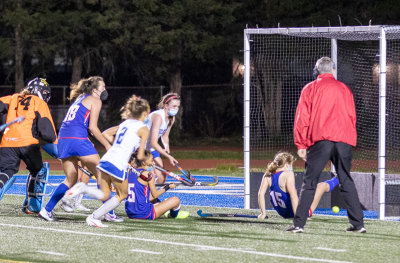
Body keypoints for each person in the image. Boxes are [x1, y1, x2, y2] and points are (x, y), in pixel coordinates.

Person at [287, 57, 365, 233]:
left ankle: (299, 224)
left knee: (310, 181)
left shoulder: (310, 88)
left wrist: (301, 143)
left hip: (321, 140)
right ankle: (358, 224)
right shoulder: (345, 89)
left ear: (317, 71)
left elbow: (302, 118)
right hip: (344, 140)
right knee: (346, 179)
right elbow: (352, 117)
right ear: (333, 70)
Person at [39, 76, 110, 221]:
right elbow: (93, 128)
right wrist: (107, 144)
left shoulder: (80, 98)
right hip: (77, 139)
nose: (104, 89)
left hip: (64, 140)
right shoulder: (96, 100)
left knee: (71, 178)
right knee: (100, 172)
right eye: (102, 87)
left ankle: (46, 210)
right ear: (95, 90)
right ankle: (109, 213)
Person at [86, 95, 150, 227]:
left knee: (105, 194)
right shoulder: (143, 129)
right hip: (118, 163)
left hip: (106, 159)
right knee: (122, 194)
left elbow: (106, 134)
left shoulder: (125, 123)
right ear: (144, 113)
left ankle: (82, 189)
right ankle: (94, 217)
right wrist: (148, 163)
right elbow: (140, 155)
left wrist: (123, 147)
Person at [0, 77, 58, 214]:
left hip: (7, 142)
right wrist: (55, 146)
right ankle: (33, 205)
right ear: (39, 91)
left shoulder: (12, 98)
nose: (45, 96)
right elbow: (48, 133)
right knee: (39, 170)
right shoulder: (39, 103)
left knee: (6, 171)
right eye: (44, 93)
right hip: (28, 143)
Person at [257, 152, 338, 219]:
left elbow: (260, 194)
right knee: (321, 186)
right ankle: (340, 177)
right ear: (286, 165)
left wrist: (263, 213)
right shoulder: (288, 174)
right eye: (291, 164)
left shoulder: (267, 175)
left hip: (283, 214)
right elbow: (293, 196)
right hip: (297, 212)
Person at [125, 149, 189, 220]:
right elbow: (155, 194)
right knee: (176, 200)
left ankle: (160, 207)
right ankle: (173, 215)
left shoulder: (130, 172)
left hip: (130, 213)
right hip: (144, 213)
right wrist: (168, 186)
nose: (153, 162)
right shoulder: (148, 174)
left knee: (153, 199)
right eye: (152, 160)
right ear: (144, 163)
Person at [146, 93, 180, 184]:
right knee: (149, 176)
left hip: (150, 148)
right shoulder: (158, 117)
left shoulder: (171, 118)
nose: (176, 109)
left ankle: (151, 191)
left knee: (161, 179)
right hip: (139, 148)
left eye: (177, 107)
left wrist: (166, 147)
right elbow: (154, 142)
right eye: (174, 106)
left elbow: (165, 136)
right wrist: (168, 156)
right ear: (166, 105)